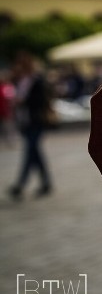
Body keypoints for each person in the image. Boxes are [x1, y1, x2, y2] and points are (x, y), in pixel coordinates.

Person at [8, 51, 53, 200]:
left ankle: (20, 185)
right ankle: (46, 182)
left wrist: (23, 101)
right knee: (35, 153)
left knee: (30, 152)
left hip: (36, 121)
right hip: (25, 122)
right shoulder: (19, 82)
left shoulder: (36, 81)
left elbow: (40, 101)